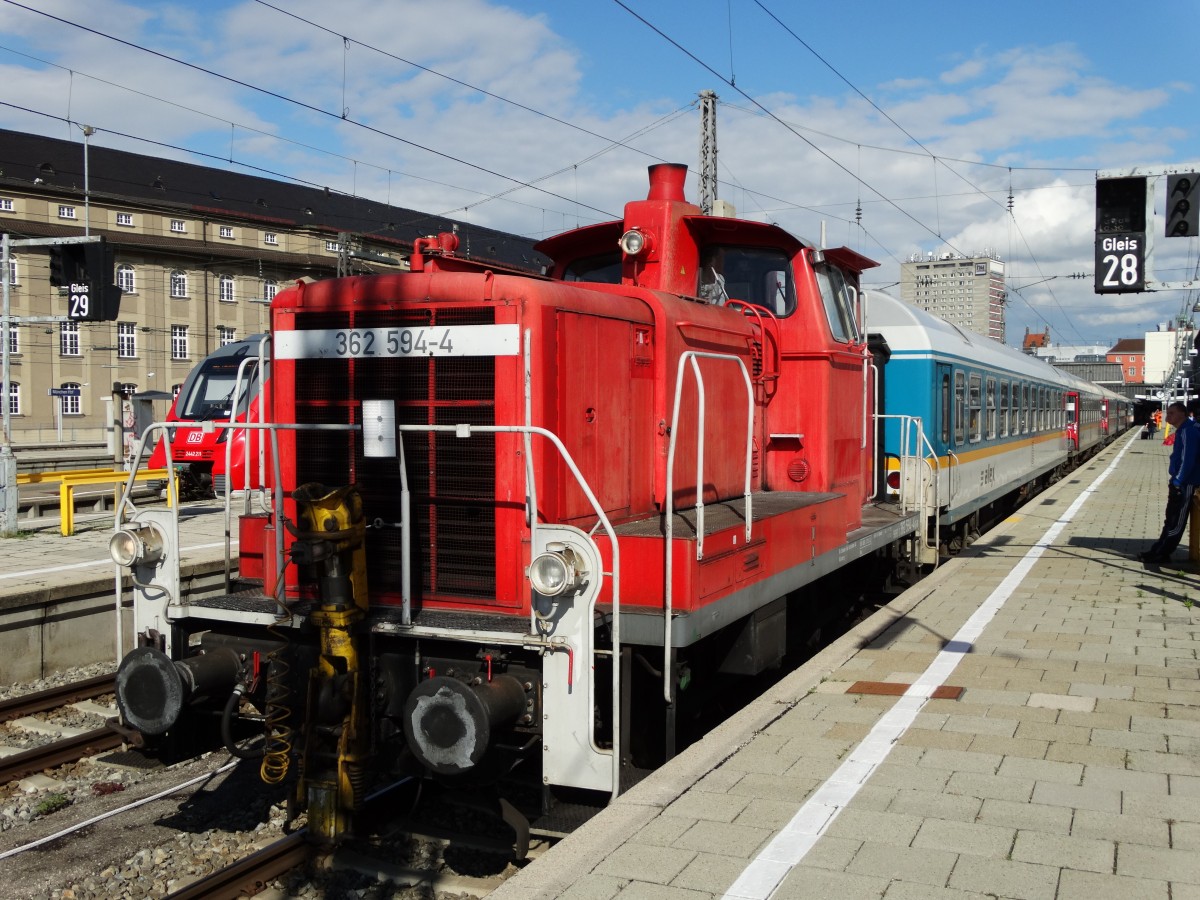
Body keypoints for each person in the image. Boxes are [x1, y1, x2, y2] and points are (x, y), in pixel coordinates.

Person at [1139, 401, 1200, 564]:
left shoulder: (1188, 431)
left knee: (1175, 521)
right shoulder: (1185, 429)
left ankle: (1161, 553)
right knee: (1170, 519)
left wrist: (1178, 481)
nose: (1168, 417)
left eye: (1172, 413)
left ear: (1182, 414)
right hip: (1182, 481)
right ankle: (1158, 550)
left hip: (1185, 483)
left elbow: (1188, 460)